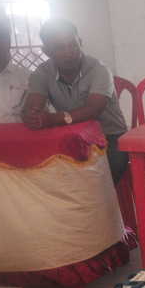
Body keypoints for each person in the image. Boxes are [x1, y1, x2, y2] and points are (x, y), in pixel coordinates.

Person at [22, 19, 130, 183]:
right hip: (70, 137)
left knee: (97, 182)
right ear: (47, 51)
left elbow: (93, 109)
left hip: (110, 137)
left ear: (80, 42)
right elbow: (33, 107)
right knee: (47, 176)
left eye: (73, 44)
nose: (69, 52)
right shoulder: (42, 73)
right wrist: (31, 116)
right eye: (60, 48)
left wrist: (52, 119)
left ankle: (95, 207)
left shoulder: (99, 70)